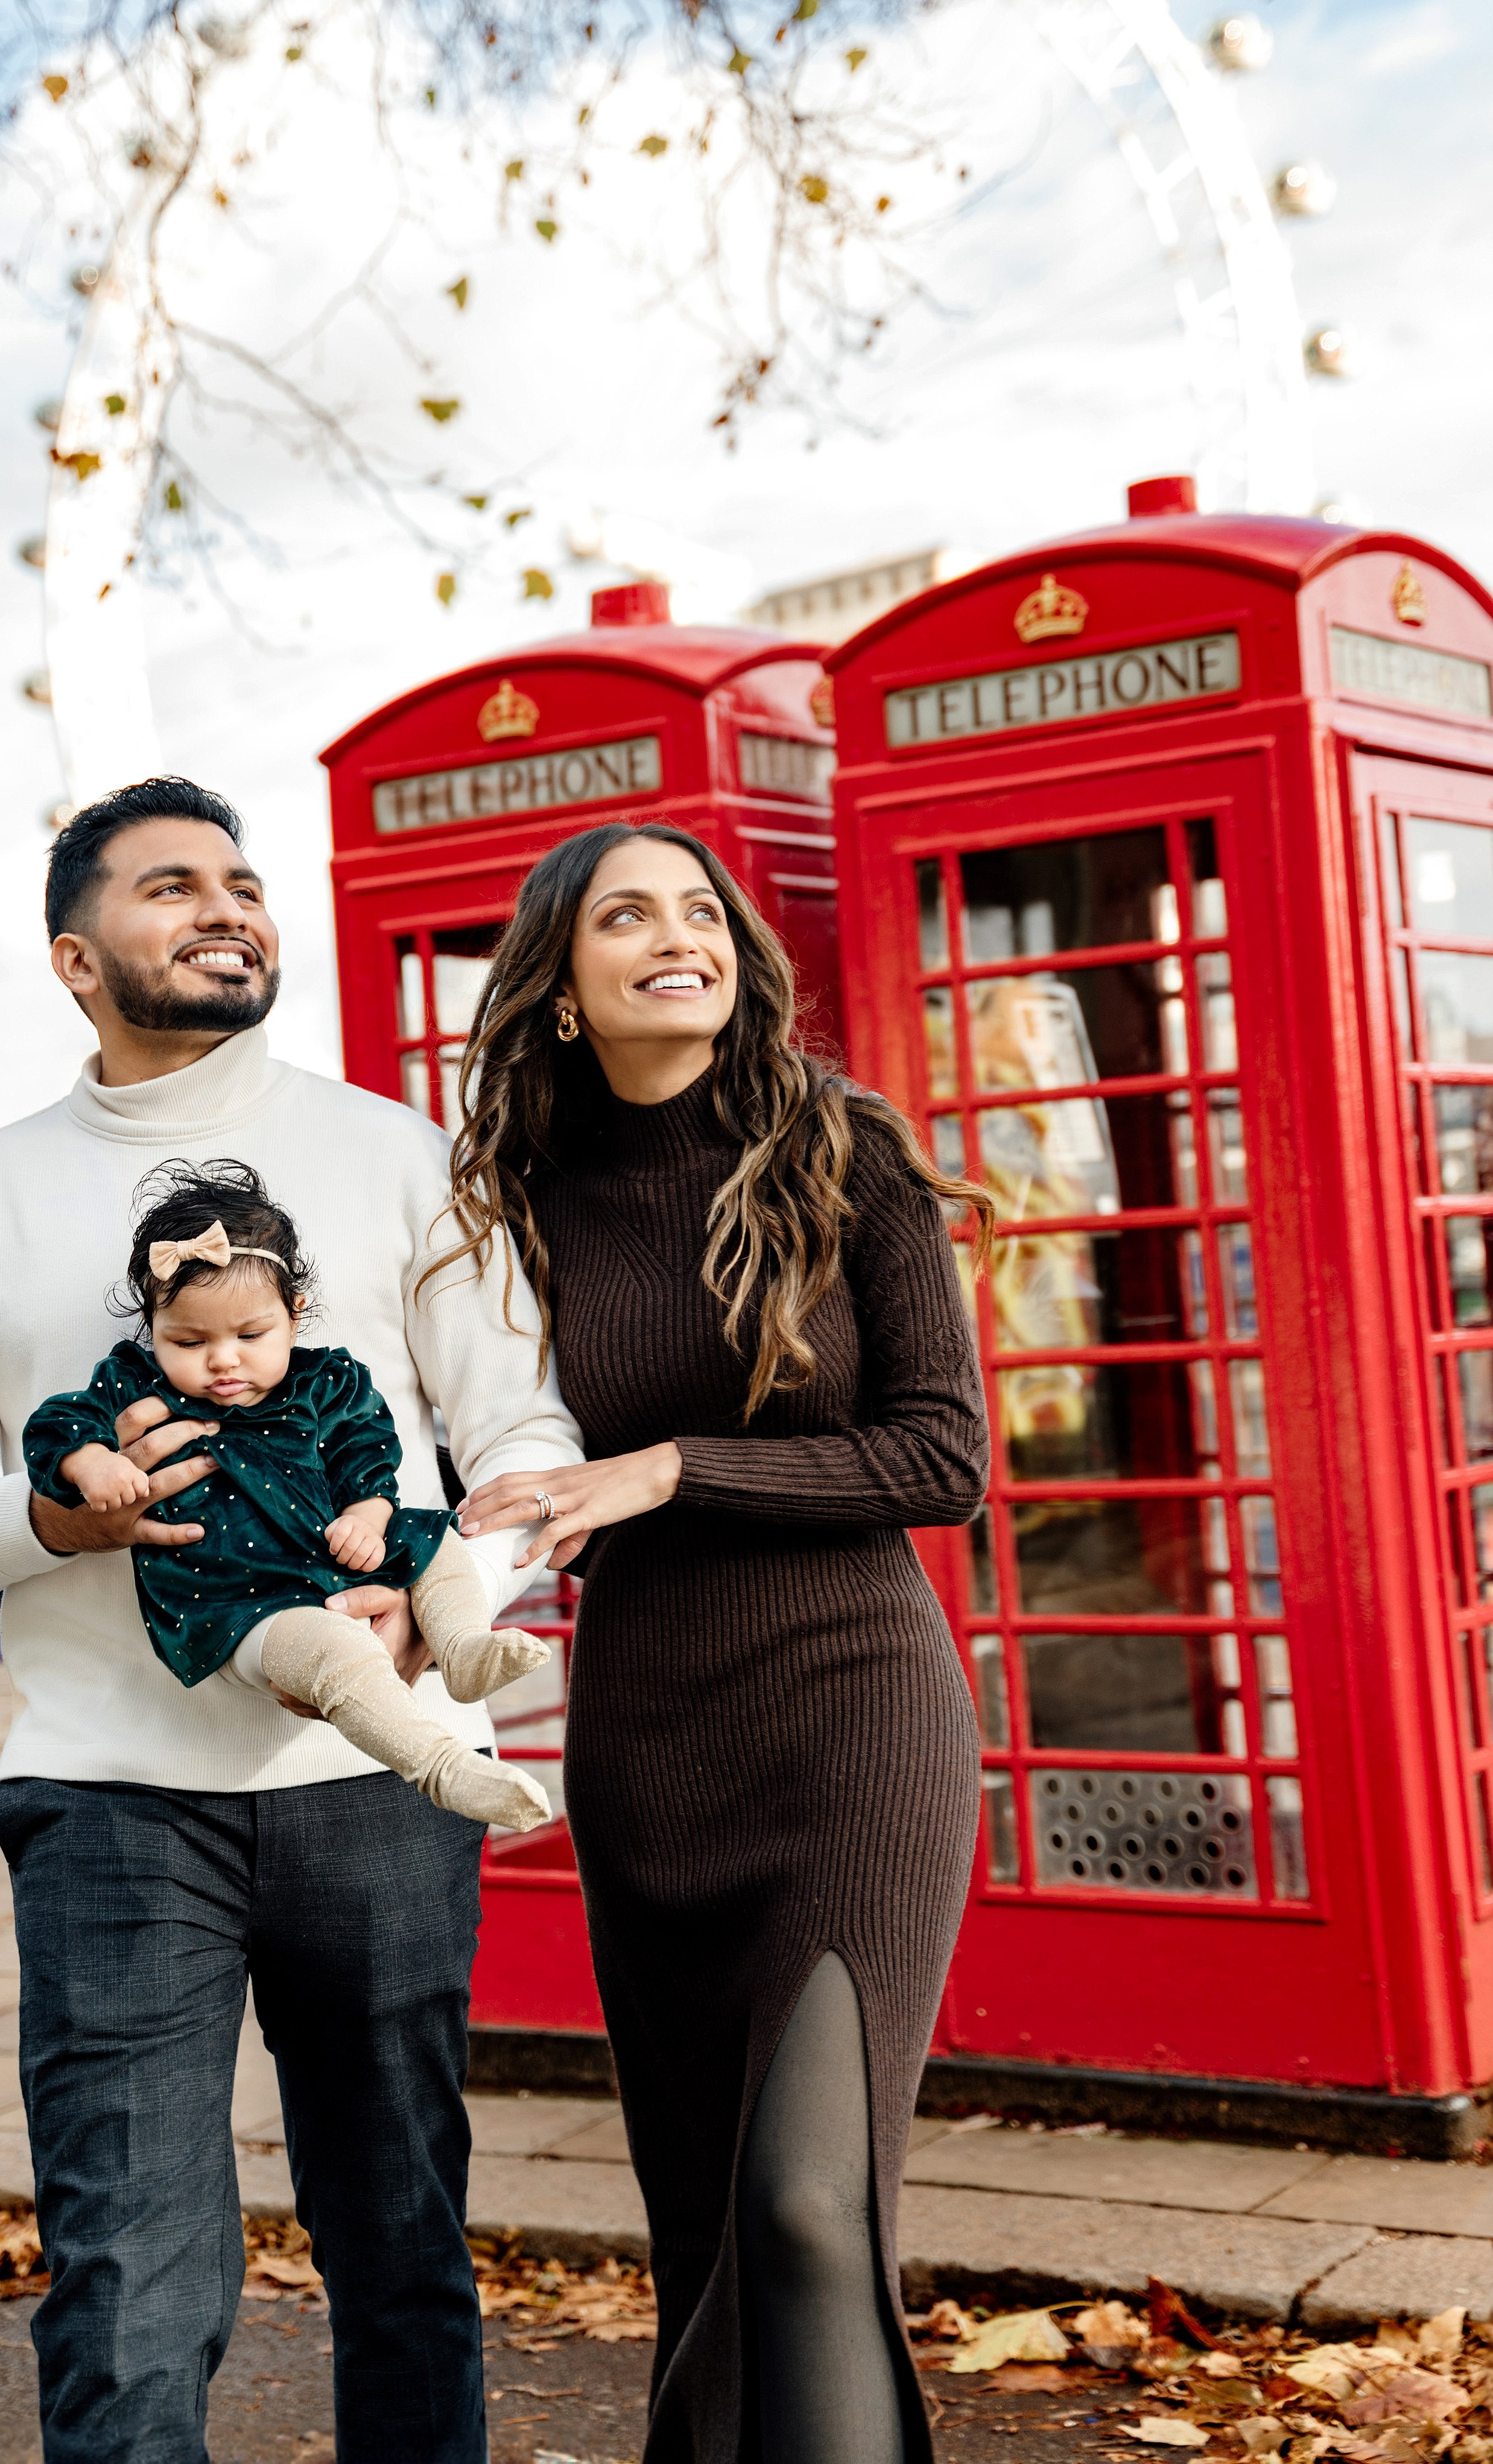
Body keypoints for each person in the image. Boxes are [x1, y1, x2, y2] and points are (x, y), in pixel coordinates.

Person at [0, 776, 579, 2464]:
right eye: (171, 884)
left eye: (242, 879)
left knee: (403, 2250)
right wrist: (48, 1517)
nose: (227, 904)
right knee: (126, 2282)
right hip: (109, 1801)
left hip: (377, 1781)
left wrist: (445, 1599)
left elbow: (525, 1437)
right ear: (72, 954)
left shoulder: (399, 1151)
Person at [453, 820, 992, 2464]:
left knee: (808, 2203)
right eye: (626, 915)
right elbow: (479, 1453)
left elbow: (942, 1457)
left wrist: (673, 1467)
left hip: (853, 1713)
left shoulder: (843, 1149)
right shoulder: (518, 1204)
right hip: (649, 1740)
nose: (675, 934)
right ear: (561, 985)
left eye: (700, 909)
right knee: (700, 2232)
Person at [21, 1154, 551, 1829]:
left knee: (435, 1539)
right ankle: (442, 1767)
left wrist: (368, 1514)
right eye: (188, 1340)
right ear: (152, 1329)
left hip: (330, 1547)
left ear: (295, 1315)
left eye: (251, 1335)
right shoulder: (134, 1382)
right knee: (335, 1652)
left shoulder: (325, 1381)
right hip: (231, 1598)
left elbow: (369, 1455)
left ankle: (463, 1645)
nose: (223, 1359)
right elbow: (58, 1424)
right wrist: (90, 1462)